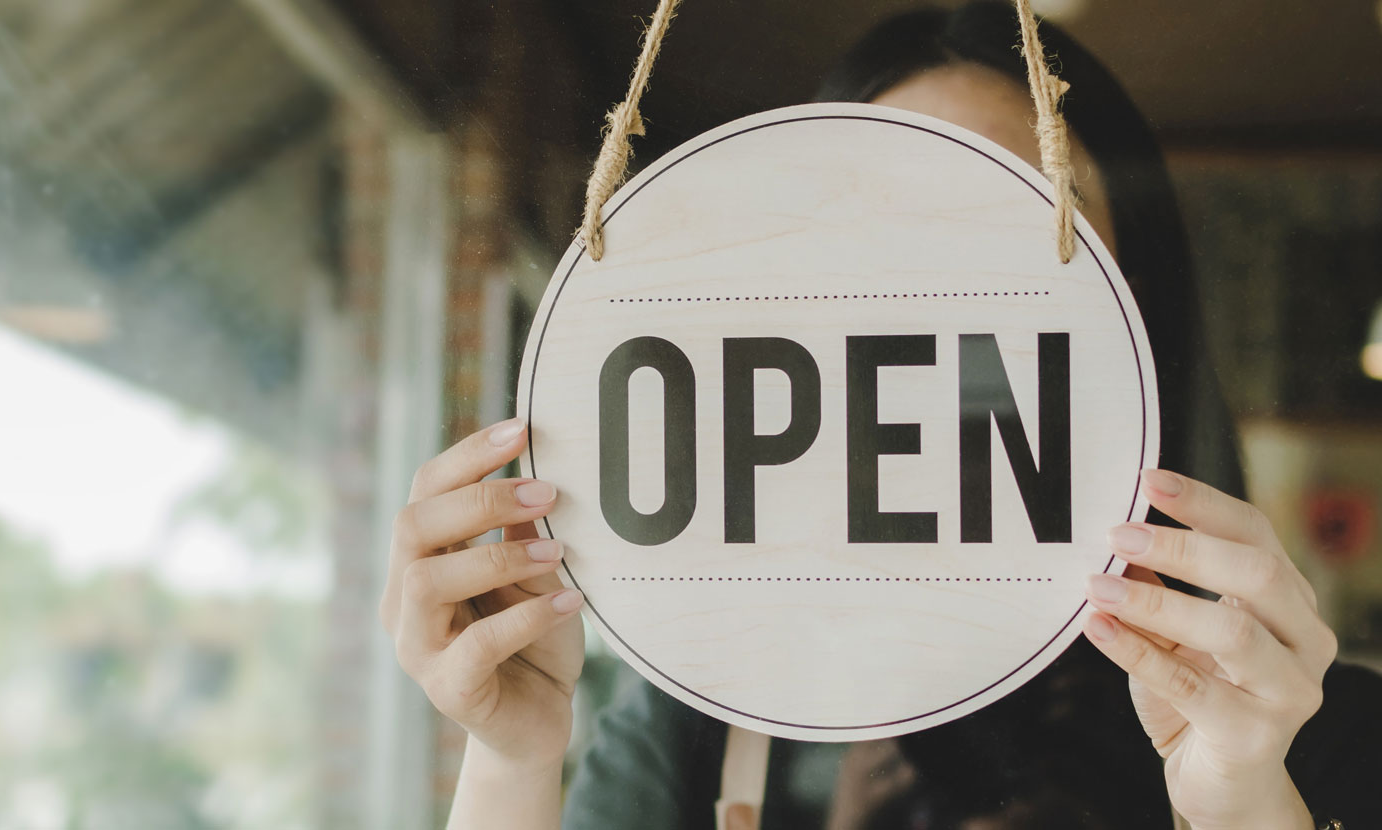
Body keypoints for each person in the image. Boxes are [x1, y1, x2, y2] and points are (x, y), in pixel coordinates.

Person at [378, 3, 1382, 828]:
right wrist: (510, 760)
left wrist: (1248, 803)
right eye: (893, 212)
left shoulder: (1303, 725)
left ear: (1137, 295)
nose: (948, 280)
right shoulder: (700, 706)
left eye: (1023, 211)